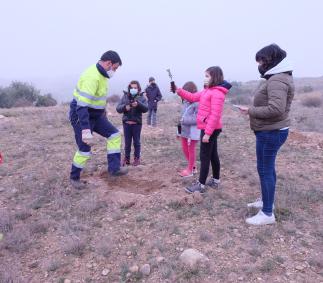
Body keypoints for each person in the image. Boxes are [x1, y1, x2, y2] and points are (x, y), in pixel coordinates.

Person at [238, 44, 294, 225]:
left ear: (271, 60)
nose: (259, 64)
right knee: (267, 168)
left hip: (271, 131)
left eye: (261, 60)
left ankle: (267, 213)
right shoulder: (278, 77)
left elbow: (276, 109)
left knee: (265, 169)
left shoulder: (277, 80)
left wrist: (251, 111)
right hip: (271, 130)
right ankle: (266, 201)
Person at [69, 50, 128, 190]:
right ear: (108, 63)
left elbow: (98, 99)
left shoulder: (103, 76)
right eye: (115, 68)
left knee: (114, 135)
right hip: (81, 115)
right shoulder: (92, 77)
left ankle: (114, 169)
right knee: (85, 148)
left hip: (96, 115)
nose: (114, 71)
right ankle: (74, 177)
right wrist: (85, 129)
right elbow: (81, 106)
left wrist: (103, 114)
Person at [172, 67, 232, 193]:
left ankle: (200, 185)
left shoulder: (217, 93)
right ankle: (215, 180)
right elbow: (193, 97)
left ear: (215, 77)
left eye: (207, 76)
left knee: (204, 156)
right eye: (204, 76)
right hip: (209, 128)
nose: (205, 78)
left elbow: (215, 115)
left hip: (210, 129)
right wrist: (179, 90)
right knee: (213, 155)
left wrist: (208, 133)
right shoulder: (207, 91)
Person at [116, 80, 148, 166]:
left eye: (135, 88)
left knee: (136, 142)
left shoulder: (141, 97)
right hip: (126, 123)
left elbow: (146, 109)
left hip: (137, 124)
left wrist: (138, 104)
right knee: (127, 142)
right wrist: (125, 107)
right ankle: (126, 159)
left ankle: (137, 158)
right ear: (129, 88)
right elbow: (118, 108)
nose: (133, 89)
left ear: (138, 89)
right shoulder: (125, 96)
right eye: (132, 88)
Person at [177, 81, 200, 177]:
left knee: (191, 150)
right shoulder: (185, 102)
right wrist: (178, 131)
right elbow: (182, 116)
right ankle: (193, 167)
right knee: (184, 148)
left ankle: (190, 170)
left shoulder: (197, 103)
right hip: (184, 131)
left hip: (192, 132)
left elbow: (197, 119)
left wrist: (184, 120)